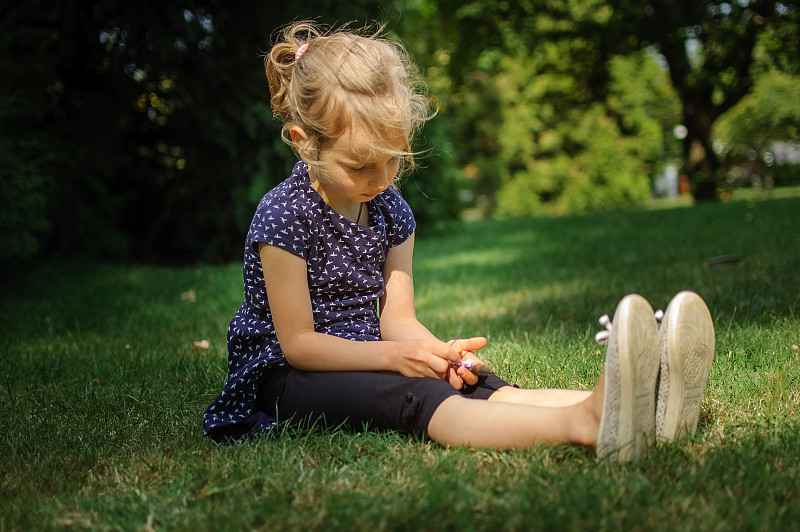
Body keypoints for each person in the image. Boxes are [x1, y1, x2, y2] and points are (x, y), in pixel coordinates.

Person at [202, 21, 716, 463]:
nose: (381, 178)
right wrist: (396, 360)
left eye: (393, 159)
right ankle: (586, 423)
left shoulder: (388, 209)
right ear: (303, 141)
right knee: (415, 393)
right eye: (361, 164)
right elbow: (299, 346)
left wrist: (434, 352)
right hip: (282, 381)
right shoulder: (285, 214)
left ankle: (643, 405)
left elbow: (397, 322)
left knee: (472, 382)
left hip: (368, 355)